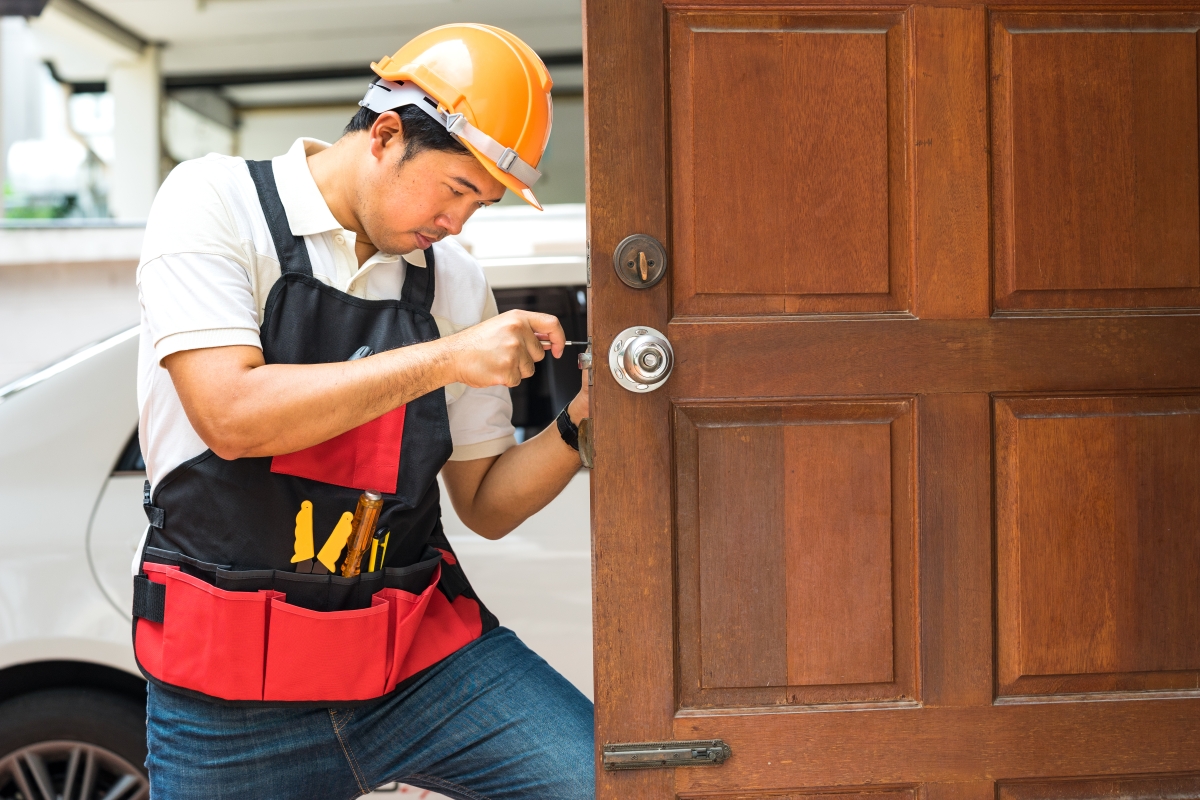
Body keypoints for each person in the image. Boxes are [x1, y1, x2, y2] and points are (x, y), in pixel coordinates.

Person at [130, 24, 594, 800]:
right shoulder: (213, 201)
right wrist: (448, 357)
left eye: (477, 206)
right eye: (455, 191)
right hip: (228, 707)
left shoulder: (453, 281)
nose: (457, 225)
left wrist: (582, 423)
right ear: (384, 135)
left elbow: (483, 504)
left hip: (420, 668)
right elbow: (233, 415)